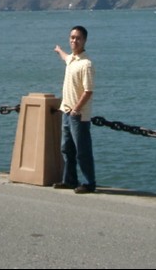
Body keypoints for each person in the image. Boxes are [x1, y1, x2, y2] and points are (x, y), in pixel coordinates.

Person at [53, 25, 96, 194]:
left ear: (84, 40)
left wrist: (76, 109)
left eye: (78, 38)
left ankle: (89, 183)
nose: (74, 40)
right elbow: (65, 58)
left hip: (78, 115)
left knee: (82, 151)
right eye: (72, 37)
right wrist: (59, 51)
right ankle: (70, 180)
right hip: (66, 111)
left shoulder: (86, 64)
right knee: (67, 149)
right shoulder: (71, 59)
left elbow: (88, 91)